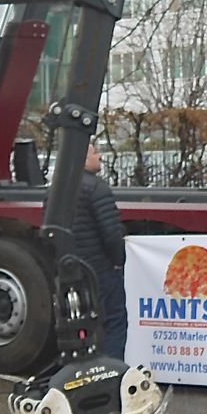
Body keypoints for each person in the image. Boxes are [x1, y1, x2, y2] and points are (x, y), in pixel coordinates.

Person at [73, 141, 126, 359]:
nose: (101, 157)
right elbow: (111, 233)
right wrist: (118, 261)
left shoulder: (55, 190)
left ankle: (84, 366)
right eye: (96, 153)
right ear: (83, 159)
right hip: (100, 269)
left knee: (82, 322)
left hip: (73, 269)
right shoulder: (97, 189)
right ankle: (111, 369)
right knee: (115, 320)